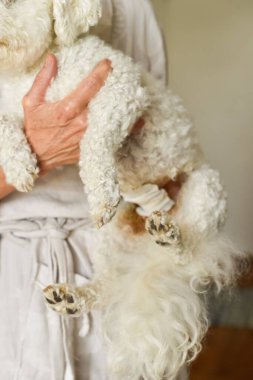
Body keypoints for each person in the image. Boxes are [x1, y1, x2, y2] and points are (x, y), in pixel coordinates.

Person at [0, 0, 186, 379]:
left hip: (114, 253)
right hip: (10, 269)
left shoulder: (134, 9)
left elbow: (165, 146)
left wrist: (161, 196)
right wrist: (40, 150)